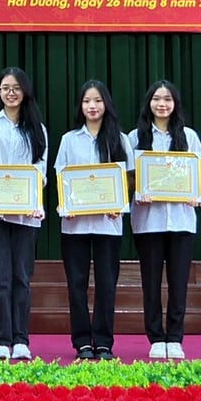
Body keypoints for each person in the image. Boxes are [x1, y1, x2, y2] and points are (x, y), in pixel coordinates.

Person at [129, 80, 201, 360]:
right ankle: (155, 337)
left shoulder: (189, 136)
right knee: (150, 283)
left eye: (167, 99)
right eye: (156, 99)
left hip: (181, 221)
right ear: (148, 103)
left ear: (175, 104)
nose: (162, 104)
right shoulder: (134, 138)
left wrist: (196, 195)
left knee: (178, 282)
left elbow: (197, 175)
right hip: (148, 221)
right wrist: (137, 193)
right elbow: (128, 179)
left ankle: (174, 337)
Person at [53, 79, 133, 361]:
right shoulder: (69, 140)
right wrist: (67, 204)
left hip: (108, 224)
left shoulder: (120, 139)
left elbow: (128, 180)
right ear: (81, 106)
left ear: (106, 104)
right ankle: (82, 342)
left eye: (98, 100)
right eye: (87, 101)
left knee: (106, 283)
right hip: (74, 225)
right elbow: (62, 179)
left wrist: (119, 205)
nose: (92, 106)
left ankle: (104, 342)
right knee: (76, 283)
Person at [0, 67, 48, 361]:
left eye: (16, 87)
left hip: (26, 213)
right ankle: (2, 339)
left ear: (25, 91)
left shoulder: (37, 128)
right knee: (0, 279)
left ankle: (21, 339)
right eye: (5, 87)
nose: (11, 92)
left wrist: (28, 192)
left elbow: (40, 172)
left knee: (22, 278)